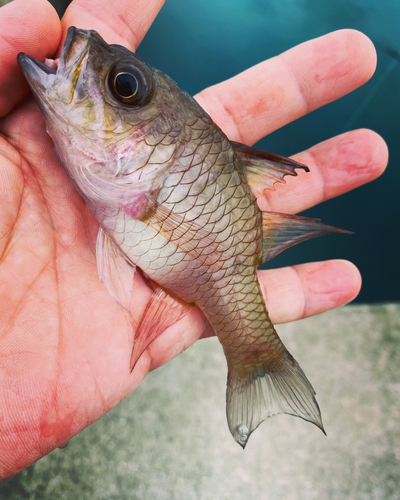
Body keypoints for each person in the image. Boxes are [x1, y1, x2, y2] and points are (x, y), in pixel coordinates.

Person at [0, 0, 388, 479]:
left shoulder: (130, 183)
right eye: (125, 85)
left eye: (124, 87)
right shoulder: (116, 174)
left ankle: (257, 360)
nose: (107, 76)